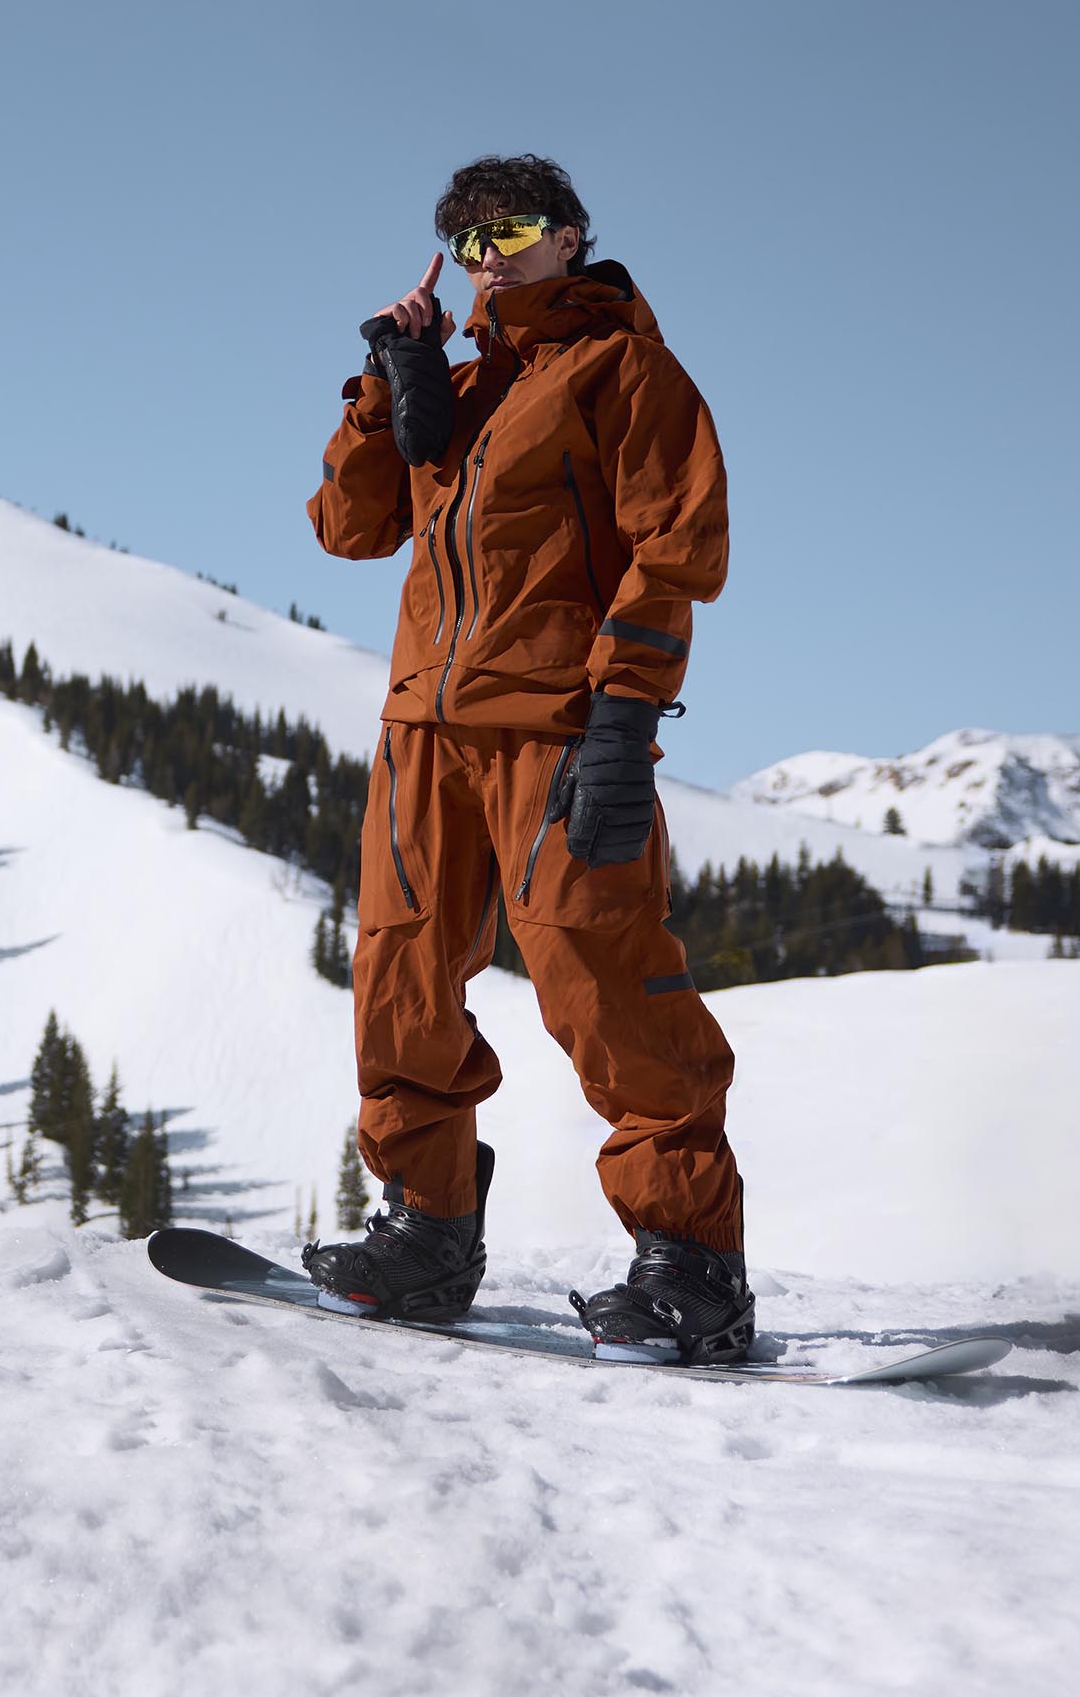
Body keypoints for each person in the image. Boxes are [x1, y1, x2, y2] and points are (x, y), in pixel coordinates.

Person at [300, 154, 753, 1363]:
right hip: (422, 738)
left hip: (557, 730)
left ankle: (693, 1268)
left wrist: (623, 719)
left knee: (603, 983)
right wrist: (384, 388)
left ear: (569, 234)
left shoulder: (624, 370)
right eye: (468, 238)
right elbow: (350, 529)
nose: (490, 253)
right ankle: (427, 1234)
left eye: (512, 227)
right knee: (400, 981)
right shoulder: (448, 394)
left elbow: (679, 545)